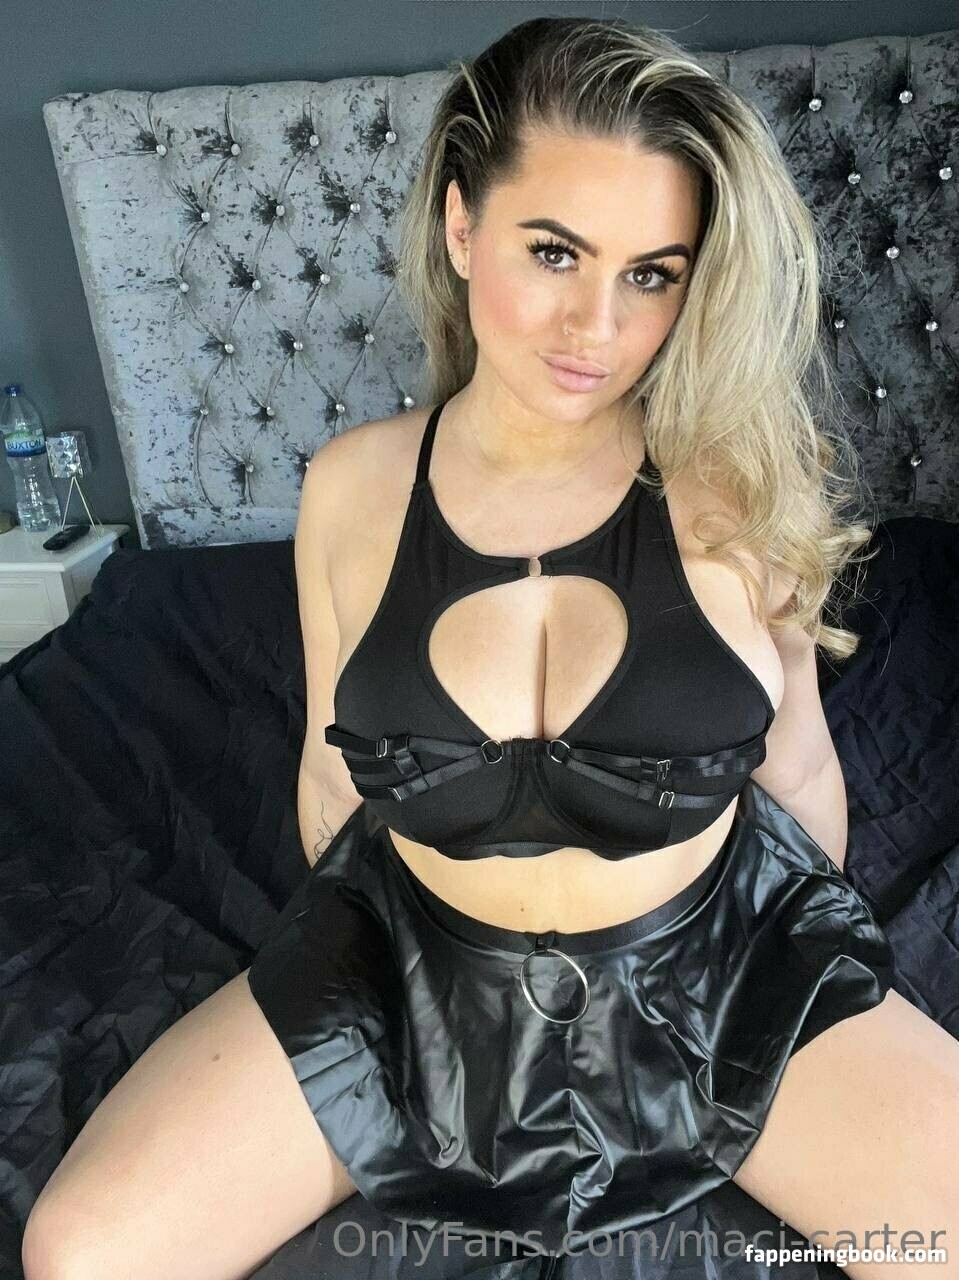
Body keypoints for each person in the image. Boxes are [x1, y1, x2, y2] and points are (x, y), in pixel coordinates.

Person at [22, 16, 958, 1280]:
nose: (594, 325)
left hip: (711, 967)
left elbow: (794, 770)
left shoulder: (734, 487)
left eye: (650, 273)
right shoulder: (350, 489)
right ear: (462, 226)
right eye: (553, 250)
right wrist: (340, 976)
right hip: (418, 971)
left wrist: (813, 987)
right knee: (81, 1251)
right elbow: (328, 780)